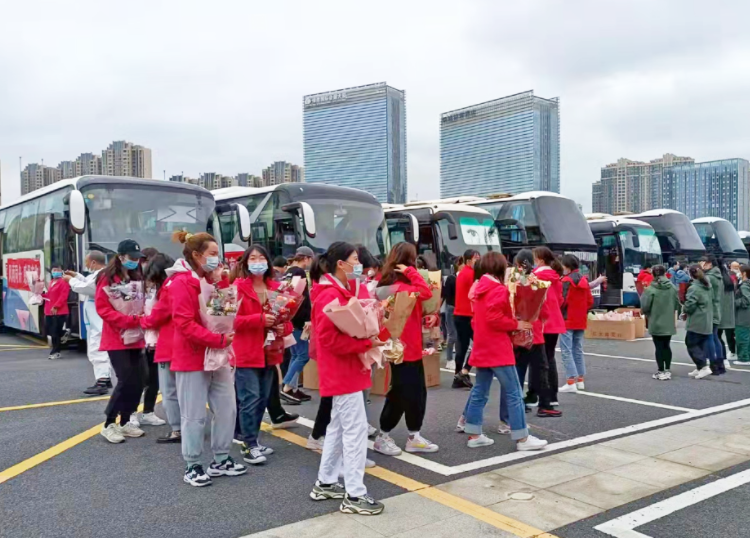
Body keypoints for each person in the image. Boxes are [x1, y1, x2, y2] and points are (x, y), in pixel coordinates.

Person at [308, 241, 385, 516]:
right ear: (340, 264)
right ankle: (355, 494)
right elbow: (329, 340)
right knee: (354, 431)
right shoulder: (329, 294)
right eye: (354, 259)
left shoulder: (337, 290)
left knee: (339, 428)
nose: (358, 264)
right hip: (343, 371)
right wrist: (365, 343)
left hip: (346, 369)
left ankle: (326, 482)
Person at [169, 231, 246, 487]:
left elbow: (222, 314)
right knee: (193, 415)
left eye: (217, 254)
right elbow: (184, 323)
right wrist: (218, 340)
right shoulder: (181, 282)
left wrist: (221, 283)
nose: (217, 259)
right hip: (193, 356)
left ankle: (221, 458)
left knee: (227, 408)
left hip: (218, 355)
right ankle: (192, 464)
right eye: (212, 254)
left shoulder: (210, 281)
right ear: (196, 255)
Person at [454, 252, 548, 451]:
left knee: (480, 391)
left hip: (482, 345)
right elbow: (494, 318)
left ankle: (474, 434)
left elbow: (481, 319)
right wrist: (516, 324)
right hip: (497, 348)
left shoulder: (479, 288)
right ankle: (522, 438)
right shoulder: (498, 289)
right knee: (514, 392)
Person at [373, 242, 438, 457]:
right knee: (404, 393)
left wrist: (429, 316)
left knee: (411, 392)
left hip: (403, 346)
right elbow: (426, 292)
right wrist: (412, 272)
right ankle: (387, 435)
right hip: (405, 348)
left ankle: (412, 435)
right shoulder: (404, 288)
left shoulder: (386, 285)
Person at [233, 244, 292, 465]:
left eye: (261, 258)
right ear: (245, 263)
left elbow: (287, 321)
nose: (257, 262)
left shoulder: (278, 288)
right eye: (253, 258)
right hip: (246, 352)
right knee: (249, 398)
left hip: (270, 352)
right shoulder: (236, 287)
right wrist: (258, 320)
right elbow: (225, 319)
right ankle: (248, 444)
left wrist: (282, 327)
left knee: (262, 399)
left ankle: (254, 441)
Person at [96, 240, 147, 444]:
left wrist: (142, 315)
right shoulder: (107, 277)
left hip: (136, 336)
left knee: (140, 379)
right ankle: (109, 423)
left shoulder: (137, 276)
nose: (135, 261)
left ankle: (126, 420)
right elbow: (103, 308)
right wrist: (127, 320)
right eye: (132, 258)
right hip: (117, 337)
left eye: (137, 258)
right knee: (125, 378)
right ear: (120, 257)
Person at [511, 250, 560, 418]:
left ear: (518, 264)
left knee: (518, 369)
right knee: (541, 369)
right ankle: (545, 404)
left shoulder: (513, 282)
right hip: (536, 332)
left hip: (518, 331)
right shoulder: (536, 282)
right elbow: (544, 310)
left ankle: (517, 403)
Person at [140, 253, 183, 443]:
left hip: (167, 343)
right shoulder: (185, 282)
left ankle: (177, 429)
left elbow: (157, 316)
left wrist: (141, 320)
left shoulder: (169, 287)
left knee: (169, 390)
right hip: (184, 343)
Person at [130, 253, 174, 430]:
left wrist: (145, 321)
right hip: (141, 337)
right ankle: (130, 412)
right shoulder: (143, 287)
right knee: (139, 378)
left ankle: (148, 411)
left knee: (154, 379)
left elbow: (159, 315)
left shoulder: (166, 288)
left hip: (156, 339)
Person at [64, 251, 110, 393]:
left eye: (87, 262)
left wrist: (70, 280)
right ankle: (104, 378)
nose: (86, 265)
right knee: (96, 348)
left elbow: (87, 288)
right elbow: (87, 282)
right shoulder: (99, 274)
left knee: (98, 349)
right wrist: (76, 276)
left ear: (94, 262)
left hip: (99, 321)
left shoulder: (102, 274)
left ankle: (102, 382)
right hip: (95, 320)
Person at [531, 247, 565, 408]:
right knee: (550, 358)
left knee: (538, 361)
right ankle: (552, 396)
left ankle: (538, 395)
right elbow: (560, 299)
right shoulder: (556, 277)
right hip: (555, 320)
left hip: (541, 321)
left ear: (540, 259)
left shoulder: (534, 277)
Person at [280, 246, 314, 404]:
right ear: (306, 258)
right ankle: (287, 386)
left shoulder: (287, 272)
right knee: (303, 354)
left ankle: (292, 387)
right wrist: (307, 318)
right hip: (299, 320)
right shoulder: (299, 272)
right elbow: (301, 299)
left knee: (295, 354)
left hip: (289, 319)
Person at [558, 254, 594, 393]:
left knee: (566, 350)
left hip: (567, 319)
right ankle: (580, 380)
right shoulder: (584, 280)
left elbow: (562, 300)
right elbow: (590, 301)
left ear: (567, 267)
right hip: (580, 319)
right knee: (577, 349)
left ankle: (570, 381)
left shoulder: (565, 281)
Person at [640, 265, 681, 380]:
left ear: (653, 274)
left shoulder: (650, 289)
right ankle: (667, 369)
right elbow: (677, 304)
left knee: (658, 347)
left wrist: (645, 312)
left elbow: (645, 306)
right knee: (667, 345)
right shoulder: (672, 287)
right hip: (668, 321)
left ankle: (661, 370)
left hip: (656, 320)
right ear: (665, 273)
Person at [453, 249, 481, 389]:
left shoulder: (462, 272)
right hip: (467, 315)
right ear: (469, 261)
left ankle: (458, 375)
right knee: (479, 343)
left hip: (460, 314)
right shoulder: (471, 274)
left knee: (462, 346)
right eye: (476, 258)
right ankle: (463, 372)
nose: (479, 260)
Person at [683, 265, 714, 380]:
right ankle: (700, 367)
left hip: (697, 320)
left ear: (690, 274)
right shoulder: (708, 285)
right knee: (700, 344)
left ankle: (703, 366)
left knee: (691, 343)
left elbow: (690, 304)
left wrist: (684, 310)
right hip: (707, 318)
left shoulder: (694, 288)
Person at [701, 255, 726, 375]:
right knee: (715, 337)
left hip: (710, 310)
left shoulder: (709, 277)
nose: (701, 264)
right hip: (716, 309)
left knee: (709, 338)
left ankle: (714, 365)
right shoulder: (718, 275)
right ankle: (720, 364)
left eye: (703, 262)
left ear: (709, 263)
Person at [42, 264, 71, 361]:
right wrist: (40, 295)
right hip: (49, 311)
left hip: (59, 311)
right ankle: (64, 332)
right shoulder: (51, 282)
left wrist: (56, 306)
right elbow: (49, 295)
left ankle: (55, 352)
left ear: (62, 271)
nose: (55, 271)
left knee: (55, 332)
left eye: (58, 270)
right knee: (49, 330)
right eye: (54, 270)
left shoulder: (64, 282)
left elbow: (64, 296)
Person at [717, 261, 736, 371]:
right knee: (728, 336)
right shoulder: (729, 280)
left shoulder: (718, 280)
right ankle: (730, 353)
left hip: (719, 313)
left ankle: (722, 358)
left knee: (716, 337)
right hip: (728, 313)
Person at [441, 258, 460, 371]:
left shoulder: (462, 277)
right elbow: (446, 295)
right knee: (453, 335)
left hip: (459, 309)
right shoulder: (451, 278)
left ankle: (457, 359)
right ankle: (449, 360)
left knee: (459, 336)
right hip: (451, 308)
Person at [734, 265, 750, 365]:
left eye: (738, 271)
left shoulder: (744, 286)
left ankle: (744, 358)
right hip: (746, 315)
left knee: (742, 336)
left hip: (743, 315)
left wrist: (734, 302)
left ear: (744, 273)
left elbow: (746, 300)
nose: (737, 273)